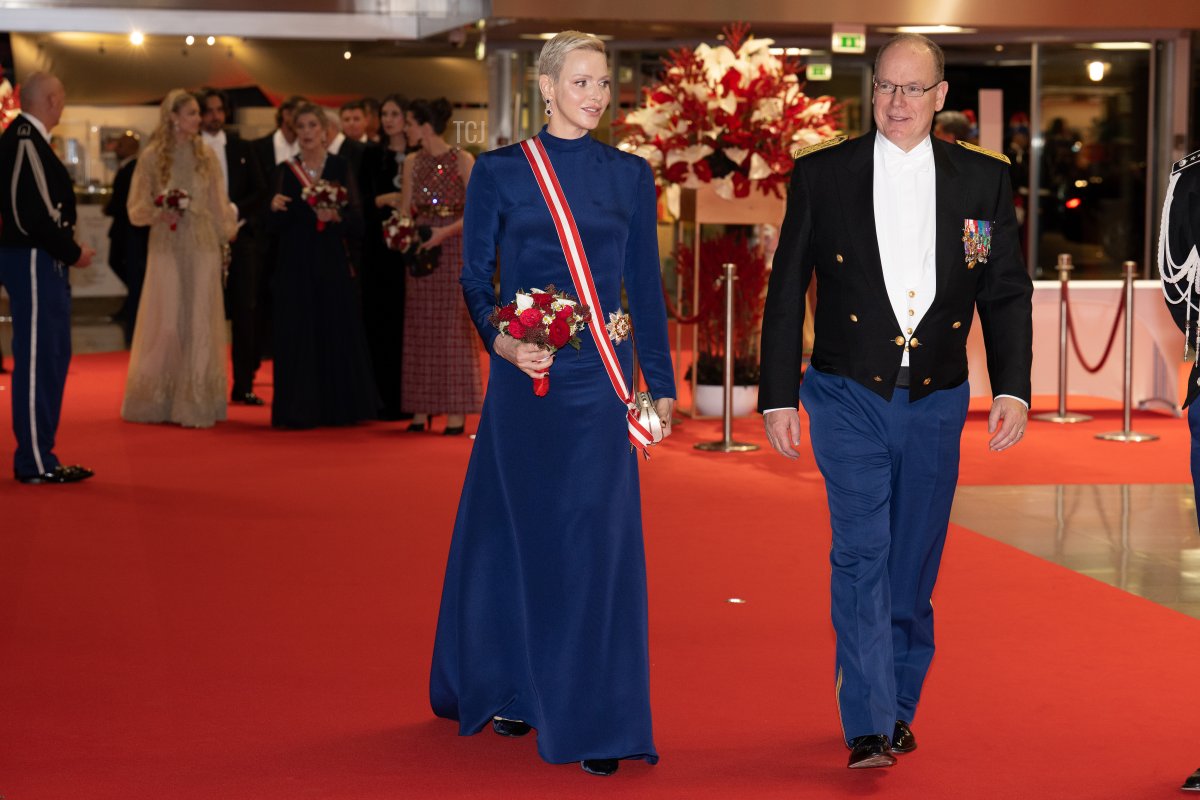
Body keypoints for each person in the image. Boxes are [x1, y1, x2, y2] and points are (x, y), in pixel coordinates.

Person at [759, 33, 1033, 769]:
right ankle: (870, 724)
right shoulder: (822, 175)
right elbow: (786, 290)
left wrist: (1012, 385)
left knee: (913, 564)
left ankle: (900, 705)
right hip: (847, 390)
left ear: (941, 97)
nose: (897, 103)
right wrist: (777, 395)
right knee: (862, 554)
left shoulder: (984, 181)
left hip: (938, 395)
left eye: (913, 89)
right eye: (885, 86)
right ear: (870, 90)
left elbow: (1004, 291)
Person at [430, 31, 676, 777]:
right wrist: (502, 342)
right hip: (524, 383)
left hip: (598, 387)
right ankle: (512, 685)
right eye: (580, 81)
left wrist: (659, 385)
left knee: (594, 549)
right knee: (517, 534)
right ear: (544, 86)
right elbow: (477, 280)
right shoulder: (501, 173)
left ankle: (599, 717)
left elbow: (645, 288)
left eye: (603, 82)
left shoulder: (630, 176)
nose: (596, 95)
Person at [121, 89, 238, 428]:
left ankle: (197, 400)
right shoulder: (152, 157)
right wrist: (162, 206)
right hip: (166, 244)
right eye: (191, 113)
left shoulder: (207, 156)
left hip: (201, 245)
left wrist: (226, 234)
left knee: (200, 319)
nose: (198, 120)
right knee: (168, 321)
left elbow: (219, 202)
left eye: (198, 114)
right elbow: (135, 209)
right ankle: (158, 398)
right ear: (173, 117)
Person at [0, 72, 96, 483]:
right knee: (40, 358)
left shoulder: (28, 138)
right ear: (53, 100)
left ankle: (41, 455)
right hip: (34, 261)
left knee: (51, 355)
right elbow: (31, 213)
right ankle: (36, 460)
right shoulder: (25, 139)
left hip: (39, 260)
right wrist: (72, 252)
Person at [265, 103, 377, 429]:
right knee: (297, 334)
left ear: (325, 132)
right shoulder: (284, 171)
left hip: (330, 263)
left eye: (313, 126)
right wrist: (271, 208)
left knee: (332, 330)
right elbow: (270, 227)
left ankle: (336, 408)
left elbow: (358, 223)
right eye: (301, 127)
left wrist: (336, 217)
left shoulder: (340, 168)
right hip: (294, 266)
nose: (307, 133)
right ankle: (298, 410)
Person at [397, 97, 481, 435]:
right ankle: (420, 409)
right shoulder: (412, 162)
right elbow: (406, 208)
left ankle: (456, 412)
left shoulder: (462, 159)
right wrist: (404, 235)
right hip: (422, 249)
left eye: (410, 122)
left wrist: (441, 233)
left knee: (453, 331)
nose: (406, 128)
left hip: (452, 246)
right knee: (419, 327)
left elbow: (477, 211)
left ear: (425, 126)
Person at [198, 87, 268, 406]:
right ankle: (201, 384)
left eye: (219, 110)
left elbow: (259, 190)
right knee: (202, 315)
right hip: (199, 244)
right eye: (208, 111)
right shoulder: (191, 150)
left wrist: (234, 216)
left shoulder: (242, 147)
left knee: (244, 314)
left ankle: (243, 384)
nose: (215, 117)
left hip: (240, 242)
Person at [360, 93, 411, 420]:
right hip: (379, 251)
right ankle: (380, 398)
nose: (389, 119)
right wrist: (386, 199)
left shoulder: (421, 155)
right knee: (379, 321)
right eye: (385, 113)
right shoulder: (370, 155)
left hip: (411, 250)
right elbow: (361, 201)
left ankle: (410, 398)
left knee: (410, 325)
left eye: (395, 113)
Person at [103, 131, 149, 345]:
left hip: (131, 232)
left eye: (122, 144)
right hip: (124, 231)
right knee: (119, 264)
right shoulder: (127, 168)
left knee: (132, 271)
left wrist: (110, 208)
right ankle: (132, 304)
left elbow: (126, 201)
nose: (117, 148)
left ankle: (134, 309)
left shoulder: (133, 169)